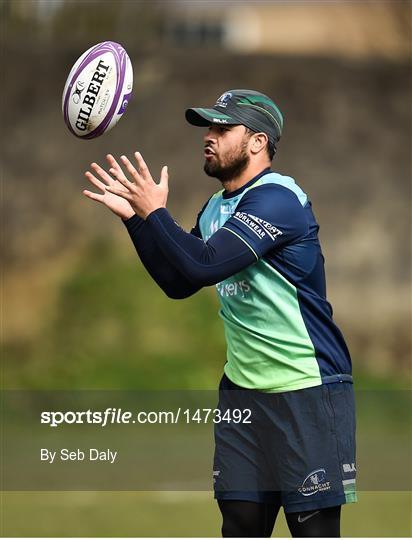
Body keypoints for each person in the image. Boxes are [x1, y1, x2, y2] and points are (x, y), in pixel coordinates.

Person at [83, 89, 357, 537]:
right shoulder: (216, 207)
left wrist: (156, 213)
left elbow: (204, 264)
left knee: (313, 529)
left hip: (305, 389)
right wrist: (137, 219)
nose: (208, 137)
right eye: (208, 128)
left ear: (257, 142)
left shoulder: (279, 199)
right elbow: (180, 282)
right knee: (241, 523)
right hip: (243, 394)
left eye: (222, 128)